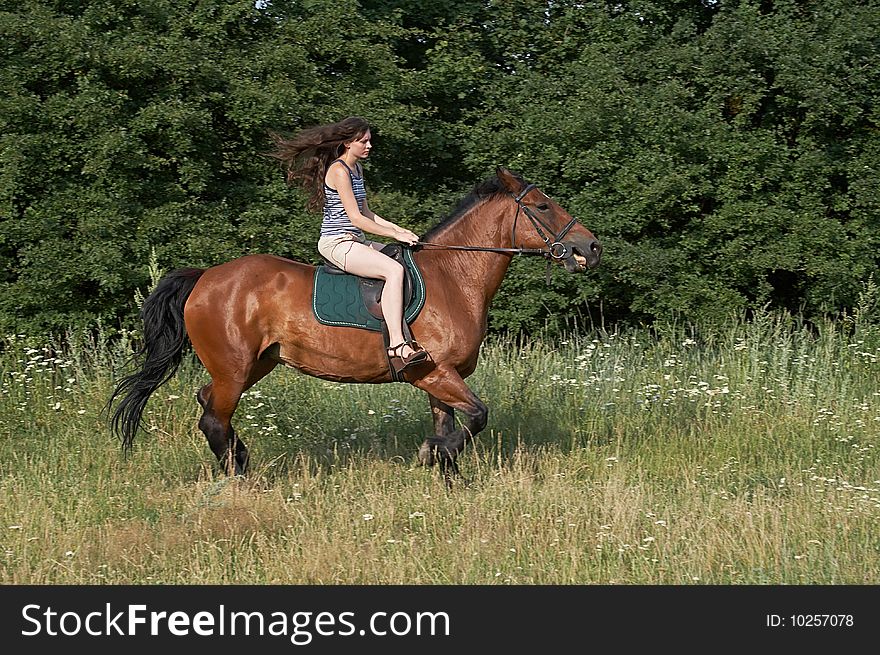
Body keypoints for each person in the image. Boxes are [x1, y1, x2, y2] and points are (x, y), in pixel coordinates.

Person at [269, 116, 429, 374]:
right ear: (347, 143)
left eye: (369, 141)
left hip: (357, 240)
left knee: (401, 258)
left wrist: (398, 230)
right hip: (337, 243)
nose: (369, 146)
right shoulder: (339, 171)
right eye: (363, 141)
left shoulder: (357, 169)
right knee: (394, 271)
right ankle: (398, 345)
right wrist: (392, 234)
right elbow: (355, 218)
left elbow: (367, 212)